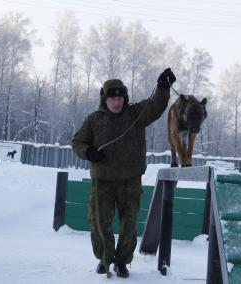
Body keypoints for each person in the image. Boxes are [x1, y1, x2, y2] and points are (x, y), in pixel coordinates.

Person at [72, 68, 176, 278]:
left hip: (130, 181)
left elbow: (155, 106)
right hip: (103, 182)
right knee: (98, 223)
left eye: (119, 98)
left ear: (124, 98)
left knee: (129, 226)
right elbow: (77, 142)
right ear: (105, 99)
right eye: (112, 98)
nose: (116, 102)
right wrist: (88, 152)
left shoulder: (135, 114)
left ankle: (121, 262)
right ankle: (105, 258)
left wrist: (163, 88)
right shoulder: (94, 120)